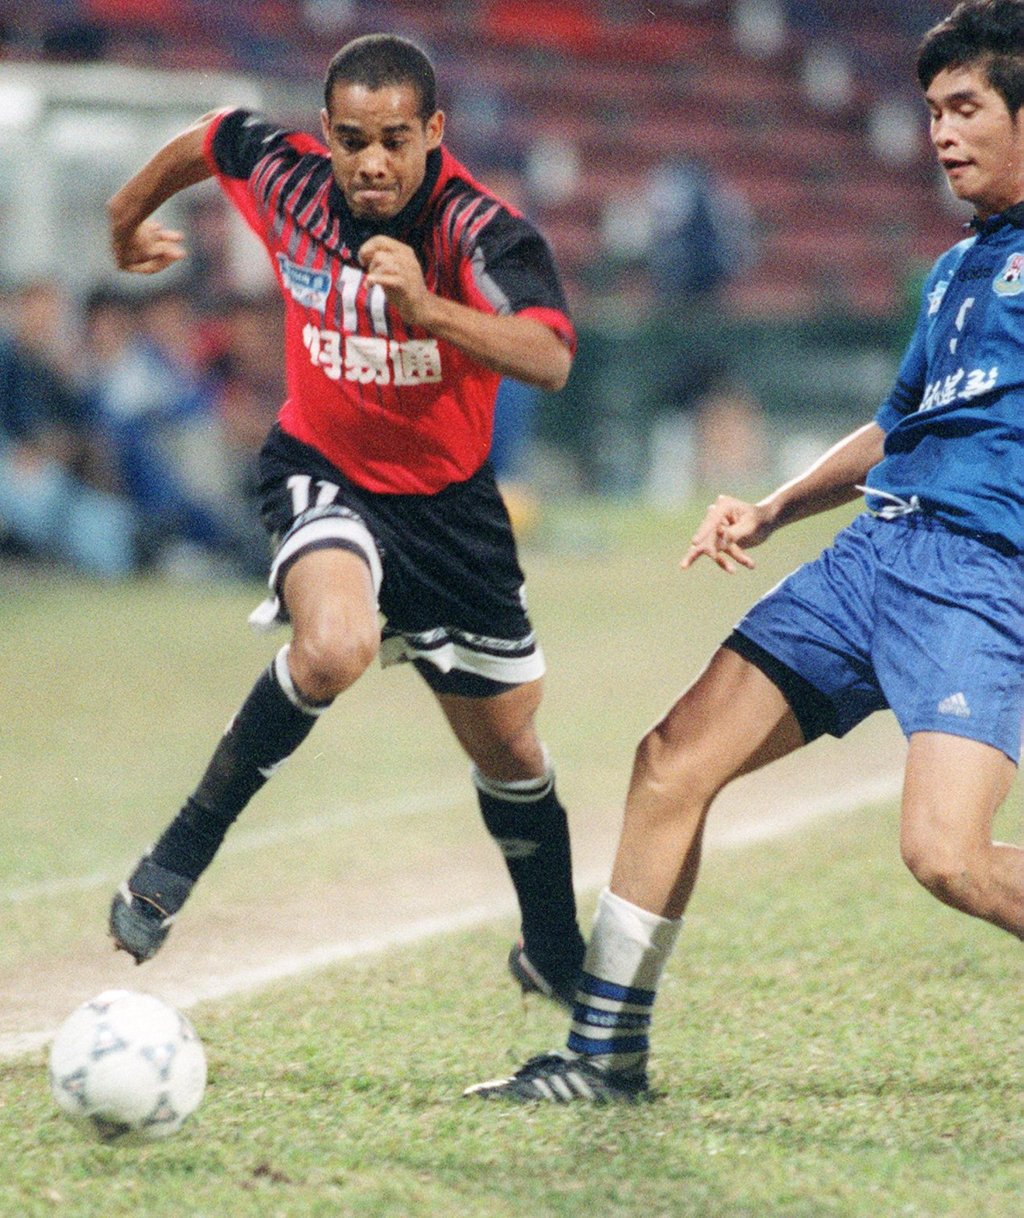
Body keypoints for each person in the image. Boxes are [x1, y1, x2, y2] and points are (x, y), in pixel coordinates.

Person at [466, 0, 1024, 1103]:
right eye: (930, 111)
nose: (940, 133)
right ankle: (603, 1059)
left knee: (946, 857)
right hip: (872, 559)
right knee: (671, 760)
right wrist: (771, 510)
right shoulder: (959, 269)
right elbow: (896, 426)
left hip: (978, 577)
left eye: (965, 108)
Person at [106, 33, 586, 1008]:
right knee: (334, 648)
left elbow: (548, 357)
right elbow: (214, 137)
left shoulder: (478, 231)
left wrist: (432, 308)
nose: (373, 161)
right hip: (322, 473)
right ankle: (177, 857)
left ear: (433, 134)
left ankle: (552, 950)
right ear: (326, 132)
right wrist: (124, 219)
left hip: (452, 513)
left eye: (395, 140)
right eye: (354, 138)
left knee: (511, 753)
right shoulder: (288, 180)